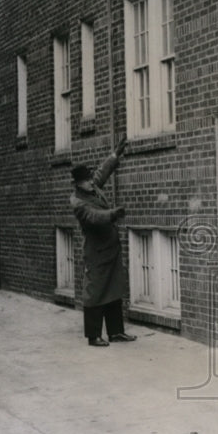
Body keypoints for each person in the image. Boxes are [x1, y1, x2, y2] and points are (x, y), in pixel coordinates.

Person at [70, 136, 137, 347]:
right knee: (95, 293)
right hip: (96, 254)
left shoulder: (93, 188)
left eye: (90, 179)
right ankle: (93, 336)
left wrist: (115, 155)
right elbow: (94, 217)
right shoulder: (78, 202)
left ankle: (116, 332)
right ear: (78, 184)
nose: (91, 181)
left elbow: (102, 172)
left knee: (113, 290)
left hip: (110, 250)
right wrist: (112, 214)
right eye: (87, 180)